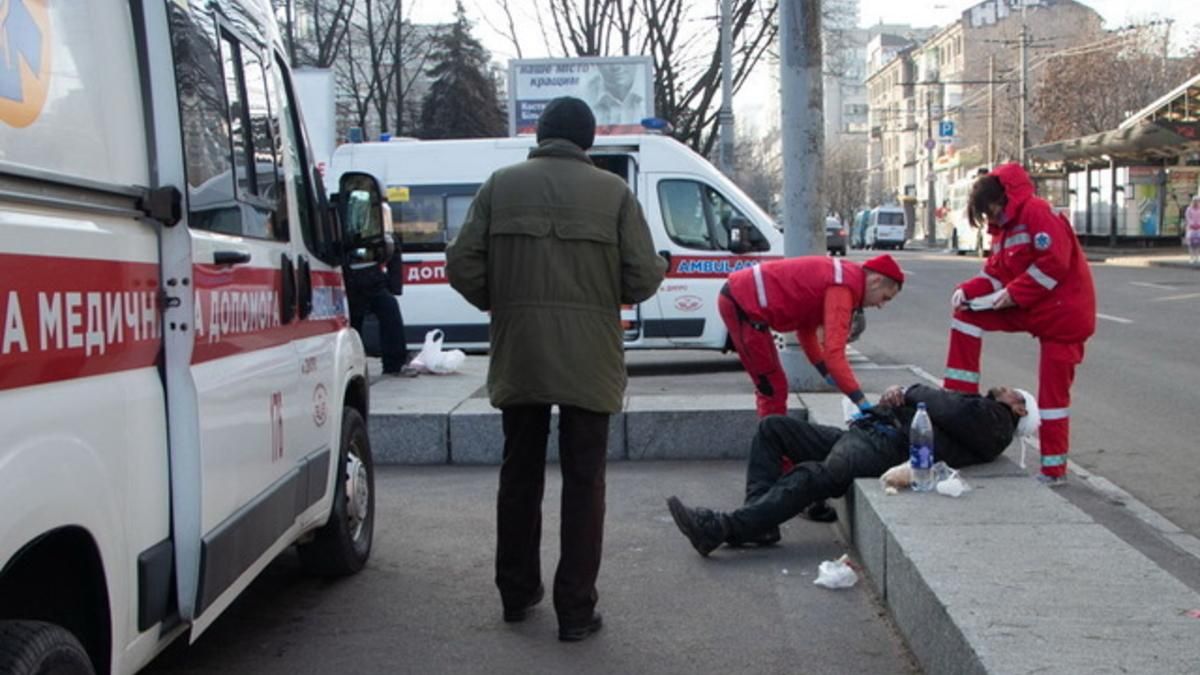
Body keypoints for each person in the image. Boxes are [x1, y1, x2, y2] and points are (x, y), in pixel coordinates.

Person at [445, 96, 666, 642]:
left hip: (520, 352)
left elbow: (461, 265)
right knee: (584, 482)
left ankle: (517, 595)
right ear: (588, 141)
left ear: (541, 135)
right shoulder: (613, 193)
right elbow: (640, 278)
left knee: (518, 474)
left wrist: (505, 303)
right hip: (589, 360)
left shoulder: (500, 185)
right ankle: (575, 610)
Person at [666, 383, 1034, 556]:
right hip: (872, 432)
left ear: (1019, 411)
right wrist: (899, 397)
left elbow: (949, 410)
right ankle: (759, 524)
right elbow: (942, 410)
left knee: (816, 475)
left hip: (884, 445)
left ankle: (723, 528)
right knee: (773, 428)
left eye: (1015, 394)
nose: (1006, 390)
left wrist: (911, 390)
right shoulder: (985, 413)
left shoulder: (996, 421)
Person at [943, 163, 1095, 486]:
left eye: (991, 211)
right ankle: (959, 403)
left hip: (1064, 313)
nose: (991, 219)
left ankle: (1054, 470)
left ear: (1002, 198)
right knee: (966, 314)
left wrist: (1014, 293)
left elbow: (1054, 263)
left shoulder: (1037, 213)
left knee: (1053, 397)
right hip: (1033, 306)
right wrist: (967, 291)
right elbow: (995, 273)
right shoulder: (1003, 229)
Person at [719, 254, 905, 418]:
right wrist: (860, 400)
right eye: (885, 298)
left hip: (742, 301)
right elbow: (834, 353)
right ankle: (772, 452)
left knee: (773, 386)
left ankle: (775, 447)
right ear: (876, 281)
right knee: (772, 388)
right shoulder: (843, 288)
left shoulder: (843, 278)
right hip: (743, 304)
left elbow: (806, 330)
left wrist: (824, 370)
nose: (881, 305)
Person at [345, 227, 417, 377]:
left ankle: (394, 364)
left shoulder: (375, 232)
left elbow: (392, 249)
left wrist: (393, 287)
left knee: (389, 310)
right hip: (350, 279)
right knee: (353, 323)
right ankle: (352, 365)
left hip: (369, 278)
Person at [1185, 194, 1200, 265]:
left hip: (1199, 228)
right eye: (1195, 201)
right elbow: (1188, 217)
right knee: (1191, 244)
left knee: (1198, 244)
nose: (1196, 202)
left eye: (1198, 201)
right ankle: (1191, 257)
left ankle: (1197, 257)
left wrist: (1198, 224)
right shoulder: (1189, 209)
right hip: (1191, 228)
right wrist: (1192, 224)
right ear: (1192, 201)